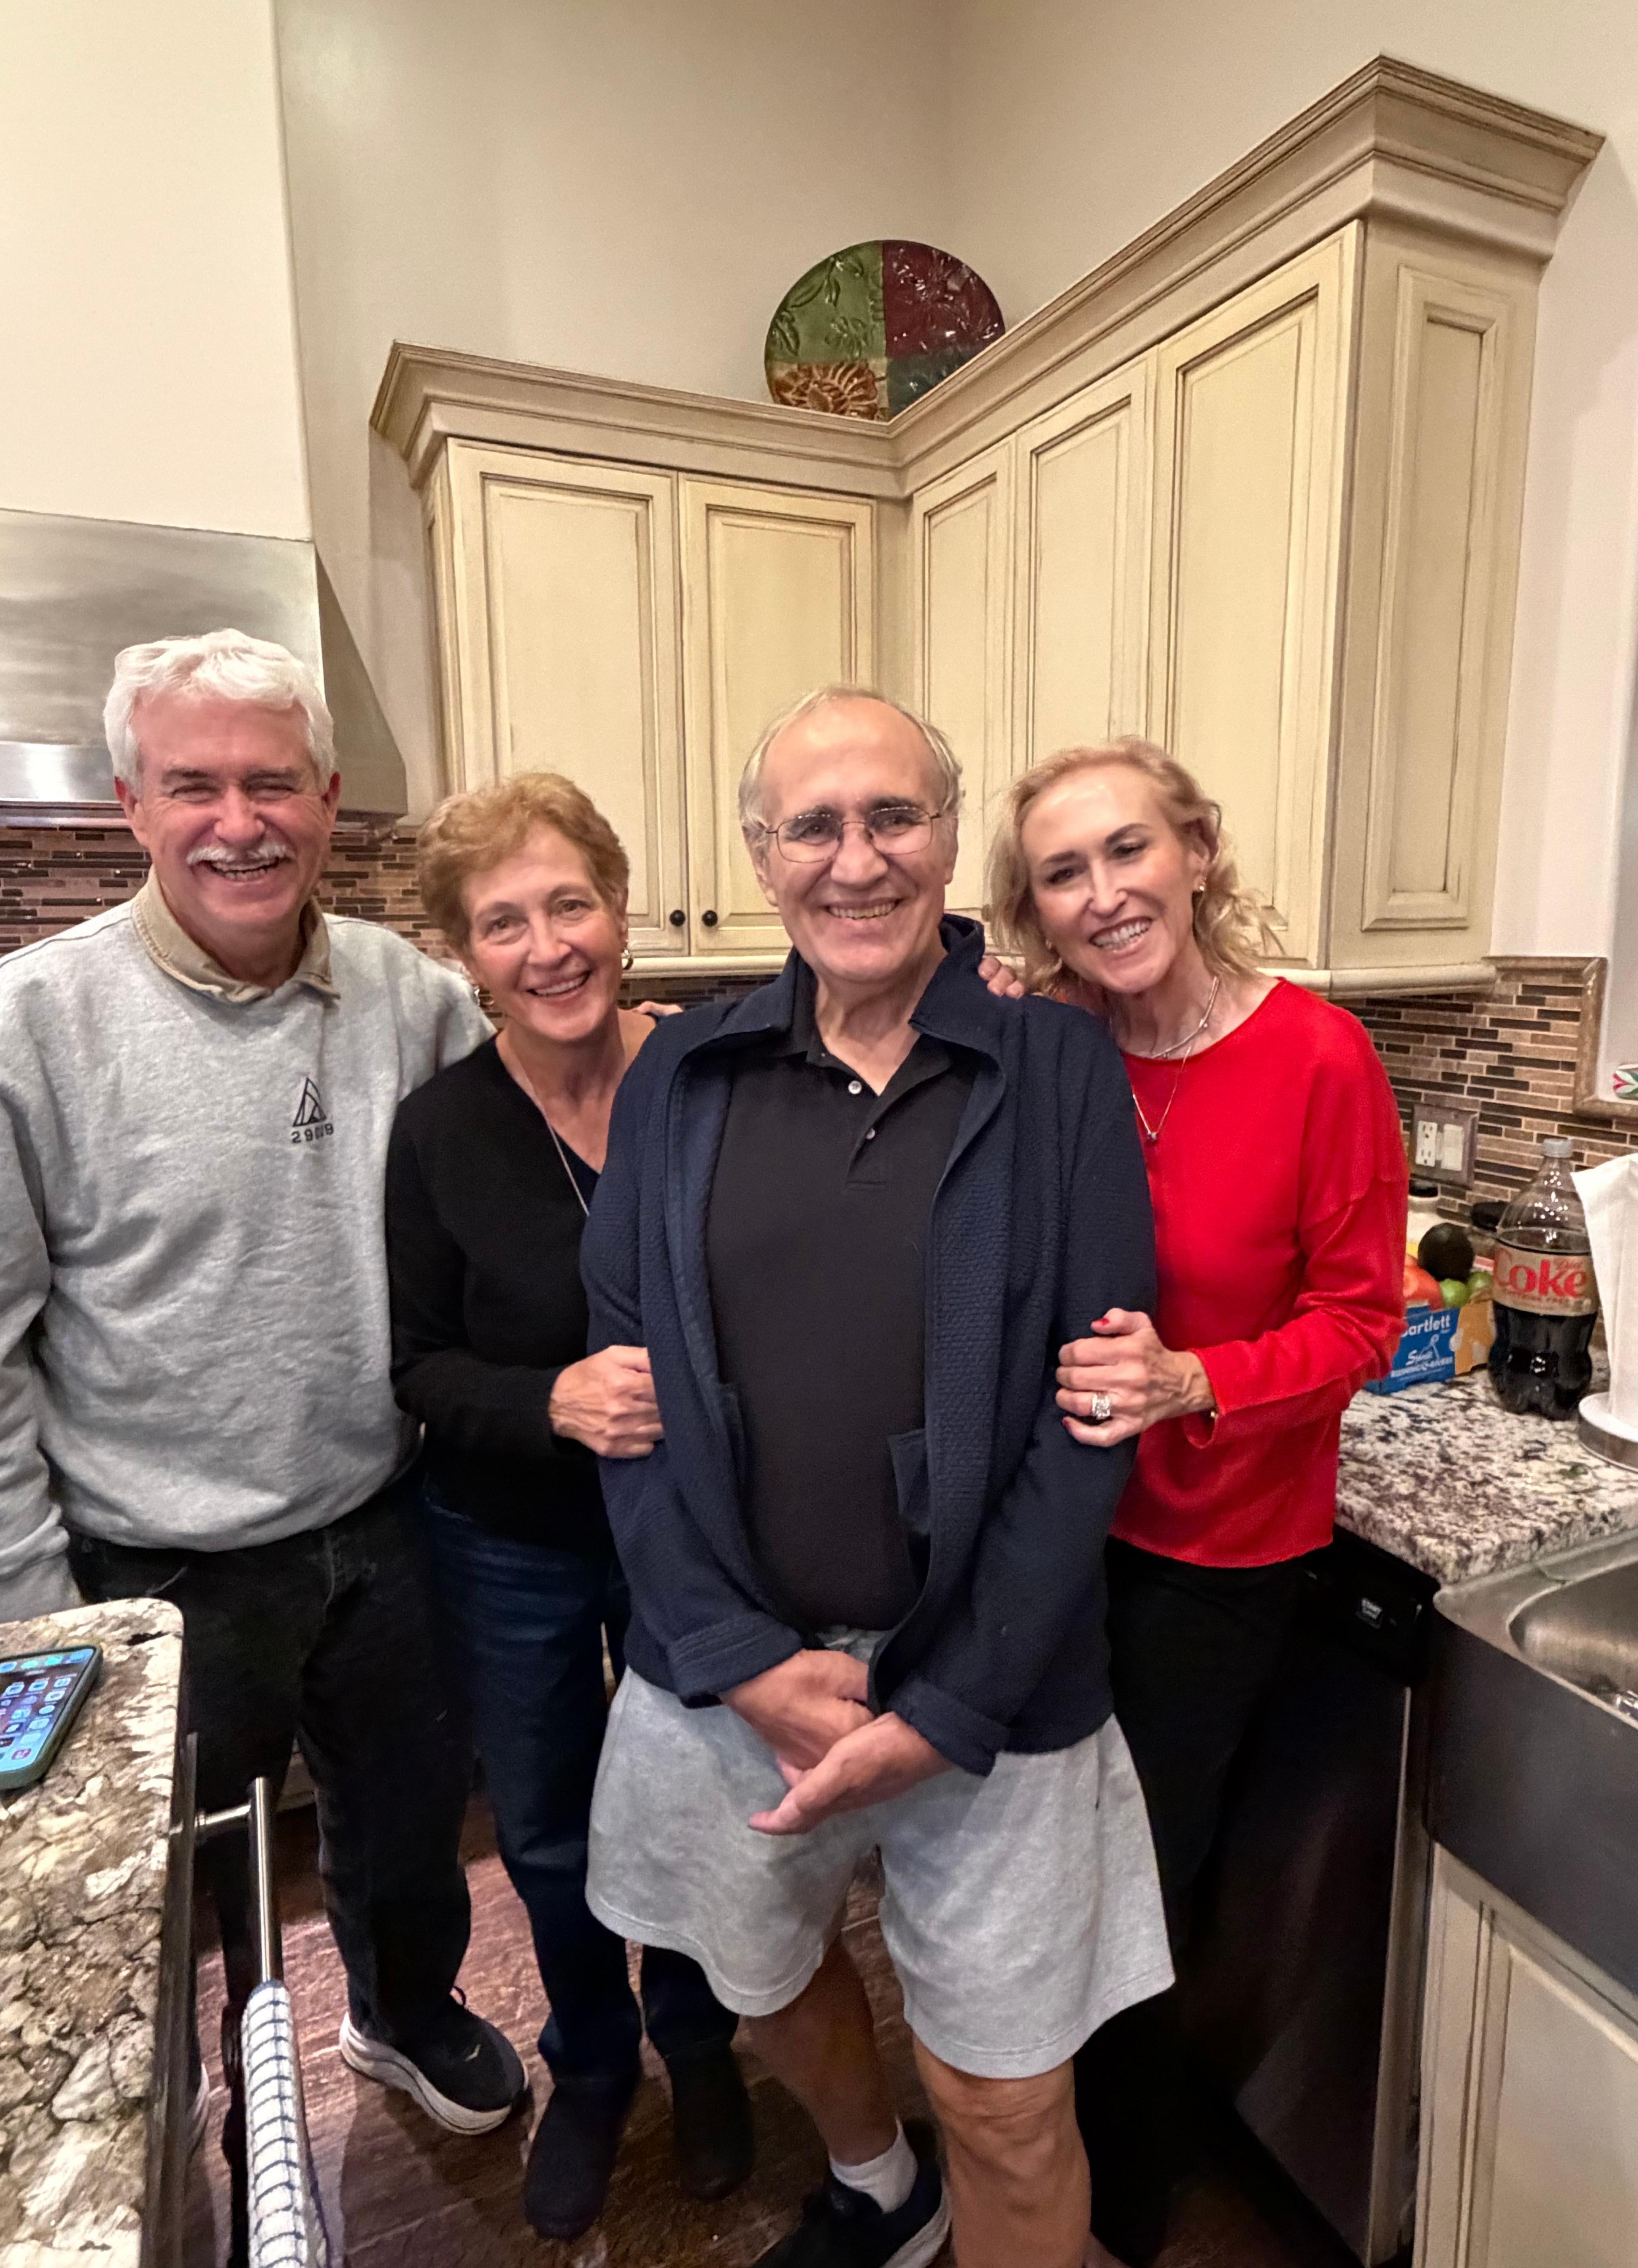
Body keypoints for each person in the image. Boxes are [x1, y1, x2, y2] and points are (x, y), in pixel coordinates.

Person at [578, 687, 1173, 2268]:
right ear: (760, 855)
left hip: (998, 1677)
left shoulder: (1057, 1069)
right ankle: (877, 2182)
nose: (858, 861)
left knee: (1007, 2099)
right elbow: (626, 1392)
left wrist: (952, 1701)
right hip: (736, 1670)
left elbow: (1091, 1412)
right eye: (815, 827)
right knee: (756, 1975)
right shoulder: (680, 1074)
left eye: (894, 817)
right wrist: (739, 1659)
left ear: (949, 837)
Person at [0, 631, 526, 2245]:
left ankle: (401, 2013)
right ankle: (192, 2138)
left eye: (272, 783)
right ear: (130, 804)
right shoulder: (31, 1024)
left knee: (406, 1824)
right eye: (195, 786)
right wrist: (40, 1610)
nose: (240, 822)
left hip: (382, 1519)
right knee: (171, 1900)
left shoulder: (411, 999)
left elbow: (547, 1109)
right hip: (156, 1567)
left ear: (328, 796)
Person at [987, 737, 1408, 2267]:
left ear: (1198, 854)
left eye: (1128, 850)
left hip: (1216, 1547)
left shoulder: (1317, 1058)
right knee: (1032, 1852)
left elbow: (1363, 1320)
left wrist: (1196, 1382)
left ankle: (1121, 2187)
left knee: (1142, 1879)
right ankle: (1021, 2148)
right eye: (1063, 873)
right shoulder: (1055, 1047)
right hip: (1056, 1529)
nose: (1104, 894)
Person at [385, 773, 754, 2241]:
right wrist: (549, 1400)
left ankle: (705, 2043)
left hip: (698, 1528)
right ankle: (593, 2062)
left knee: (707, 1800)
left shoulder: (712, 1079)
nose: (547, 948)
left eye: (570, 905)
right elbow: (418, 1362)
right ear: (462, 955)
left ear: (621, 908)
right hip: (511, 1539)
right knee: (546, 1828)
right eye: (503, 923)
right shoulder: (442, 1132)